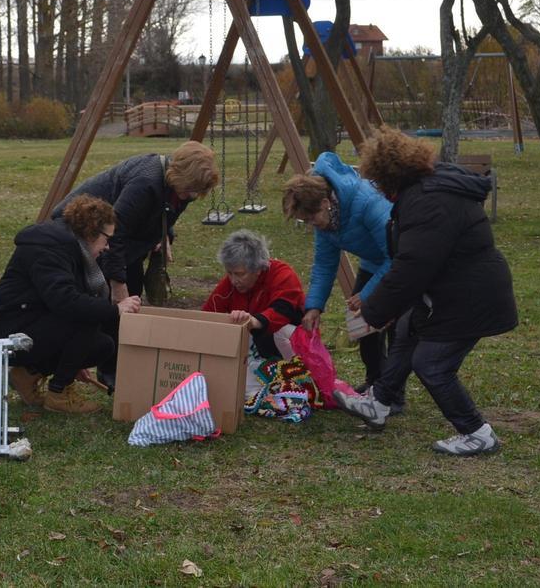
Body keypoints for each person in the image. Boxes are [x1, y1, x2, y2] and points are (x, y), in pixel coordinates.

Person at [332, 128, 517, 456]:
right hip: (454, 290)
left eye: (377, 181)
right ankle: (379, 403)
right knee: (408, 331)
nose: (376, 188)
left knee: (432, 363)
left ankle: (477, 433)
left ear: (388, 176)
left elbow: (412, 266)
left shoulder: (428, 201)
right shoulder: (424, 190)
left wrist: (373, 311)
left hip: (471, 297)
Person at [0, 195, 141, 414]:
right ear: (91, 232)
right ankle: (58, 393)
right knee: (86, 316)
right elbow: (66, 301)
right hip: (9, 332)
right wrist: (116, 309)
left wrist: (73, 358)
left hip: (32, 322)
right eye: (107, 239)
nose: (107, 247)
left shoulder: (70, 247)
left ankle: (27, 374)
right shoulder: (50, 248)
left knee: (101, 345)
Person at [281, 151, 394, 394]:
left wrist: (368, 294)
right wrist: (314, 306)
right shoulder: (327, 222)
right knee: (362, 325)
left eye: (311, 218)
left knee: (397, 329)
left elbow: (397, 255)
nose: (311, 224)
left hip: (402, 264)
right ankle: (375, 381)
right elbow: (324, 264)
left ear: (325, 203)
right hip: (374, 264)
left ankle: (392, 393)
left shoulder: (368, 203)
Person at [53, 140, 219, 303]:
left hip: (121, 239)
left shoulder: (180, 187)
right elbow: (115, 230)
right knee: (101, 298)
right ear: (181, 174)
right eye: (189, 188)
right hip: (83, 231)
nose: (191, 195)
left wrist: (165, 234)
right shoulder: (146, 183)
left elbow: (164, 209)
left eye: (196, 191)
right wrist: (117, 283)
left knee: (133, 292)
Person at [202, 229, 305, 364]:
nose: (234, 280)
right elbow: (207, 316)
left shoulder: (282, 274)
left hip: (291, 342)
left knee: (282, 332)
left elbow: (283, 310)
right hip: (257, 346)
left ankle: (299, 373)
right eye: (229, 273)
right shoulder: (229, 285)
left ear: (257, 269)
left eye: (240, 274)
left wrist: (254, 321)